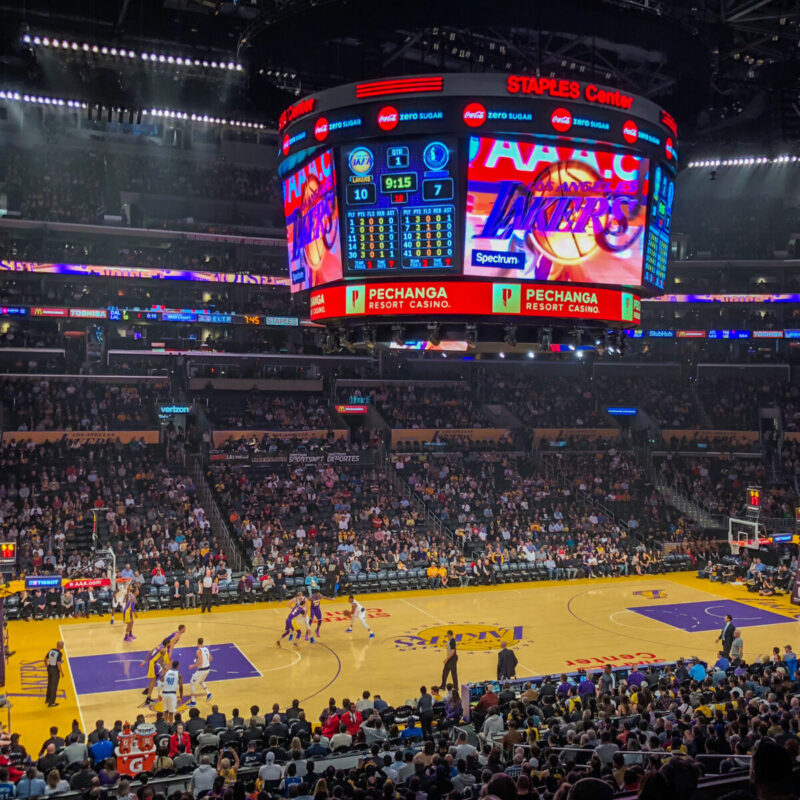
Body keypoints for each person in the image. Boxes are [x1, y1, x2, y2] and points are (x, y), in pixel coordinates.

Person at [188, 637, 213, 706]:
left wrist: (192, 666)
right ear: (202, 642)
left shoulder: (198, 651)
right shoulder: (206, 649)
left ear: (197, 643)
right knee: (201, 681)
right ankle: (208, 693)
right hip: (208, 669)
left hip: (202, 670)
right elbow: (211, 659)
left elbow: (200, 662)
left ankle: (193, 701)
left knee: (192, 683)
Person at [162, 660, 183, 724]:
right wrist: (181, 697)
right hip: (172, 694)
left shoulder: (166, 672)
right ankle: (170, 725)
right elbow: (181, 687)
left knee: (165, 711)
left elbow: (161, 680)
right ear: (178, 666)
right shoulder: (179, 674)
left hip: (164, 693)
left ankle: (165, 725)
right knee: (171, 713)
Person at [44, 641, 64, 708]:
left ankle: (47, 699)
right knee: (54, 686)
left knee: (49, 684)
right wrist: (61, 672)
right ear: (61, 646)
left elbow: (45, 659)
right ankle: (51, 702)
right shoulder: (59, 653)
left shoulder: (51, 650)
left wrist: (46, 665)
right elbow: (58, 664)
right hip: (54, 670)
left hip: (49, 668)